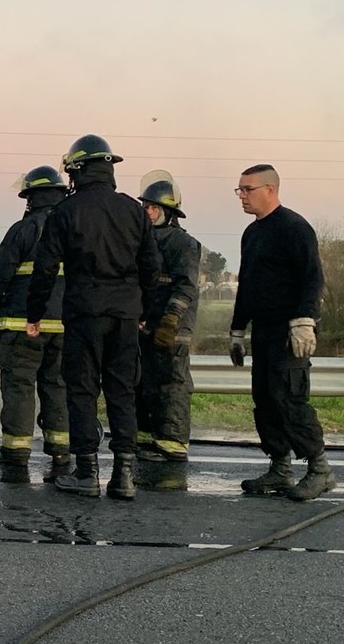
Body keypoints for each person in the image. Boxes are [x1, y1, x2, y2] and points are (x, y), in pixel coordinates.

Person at [26, 135, 160, 500]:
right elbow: (152, 266)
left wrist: (34, 314)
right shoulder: (133, 210)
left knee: (82, 390)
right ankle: (124, 477)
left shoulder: (65, 211)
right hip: (126, 316)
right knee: (122, 391)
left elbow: (45, 268)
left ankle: (87, 473)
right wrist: (146, 312)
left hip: (84, 313)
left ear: (78, 170)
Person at [229, 164, 336, 501]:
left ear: (270, 189)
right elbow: (247, 285)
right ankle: (280, 467)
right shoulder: (251, 233)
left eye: (248, 189)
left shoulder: (294, 228)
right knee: (265, 400)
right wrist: (237, 330)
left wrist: (305, 320)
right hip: (263, 331)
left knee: (289, 399)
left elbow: (312, 278)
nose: (242, 196)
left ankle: (320, 469)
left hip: (289, 332)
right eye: (239, 190)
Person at [0, 165, 70, 481]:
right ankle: (61, 450)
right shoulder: (74, 232)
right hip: (65, 328)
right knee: (57, 386)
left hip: (21, 326)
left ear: (33, 197)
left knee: (19, 387)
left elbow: (0, 273)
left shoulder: (24, 229)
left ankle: (16, 451)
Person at [135, 174, 200, 467]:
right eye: (146, 207)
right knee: (145, 382)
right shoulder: (142, 240)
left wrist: (171, 318)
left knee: (172, 384)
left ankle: (173, 444)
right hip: (147, 325)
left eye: (154, 208)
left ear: (169, 211)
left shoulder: (182, 243)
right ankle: (148, 437)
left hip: (173, 328)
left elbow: (186, 285)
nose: (148, 212)